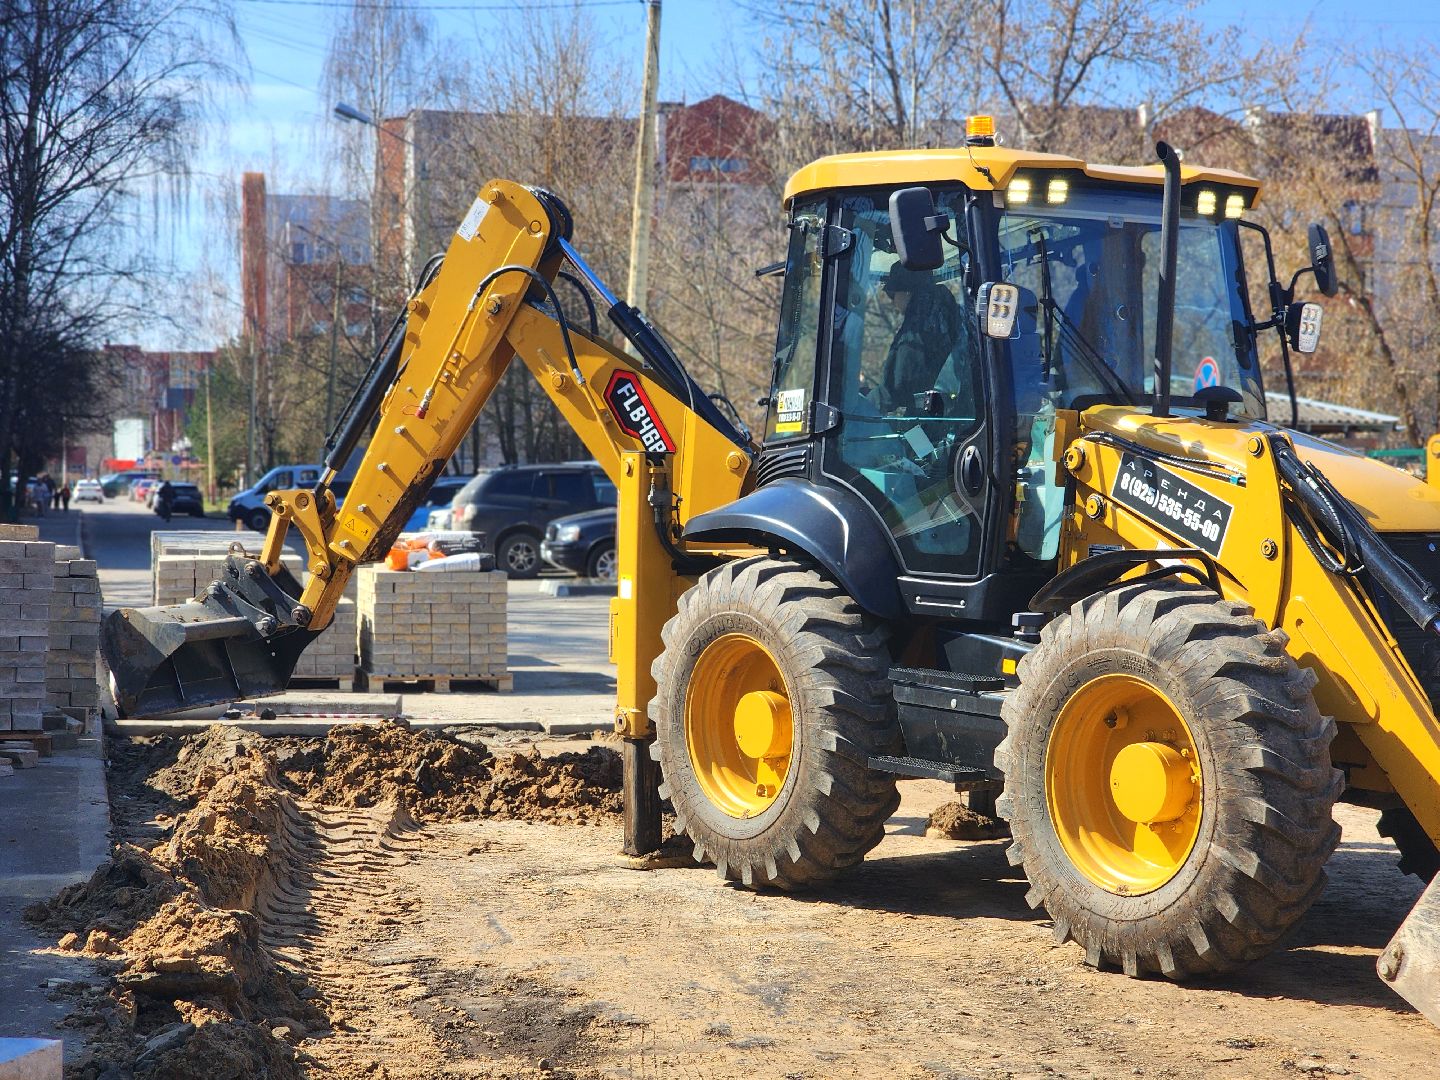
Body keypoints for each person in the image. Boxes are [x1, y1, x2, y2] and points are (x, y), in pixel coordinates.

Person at [871, 265, 961, 415]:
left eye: (893, 294)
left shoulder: (918, 329)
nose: (892, 301)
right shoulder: (945, 314)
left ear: (907, 291)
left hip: (929, 419)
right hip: (948, 413)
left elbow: (898, 386)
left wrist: (865, 403)